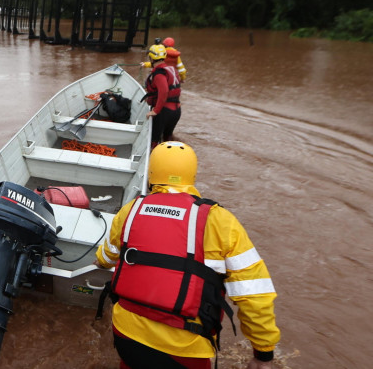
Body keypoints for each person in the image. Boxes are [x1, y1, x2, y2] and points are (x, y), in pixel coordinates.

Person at [94, 141, 280, 369]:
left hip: (126, 337)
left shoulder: (130, 210)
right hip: (184, 350)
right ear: (192, 174)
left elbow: (108, 255)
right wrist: (263, 353)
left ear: (151, 172)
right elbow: (254, 294)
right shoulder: (220, 221)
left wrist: (100, 261)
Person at [143, 44, 182, 145]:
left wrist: (155, 111)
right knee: (167, 140)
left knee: (154, 142)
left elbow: (164, 91)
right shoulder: (171, 69)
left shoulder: (159, 74)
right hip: (176, 111)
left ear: (151, 58)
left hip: (164, 112)